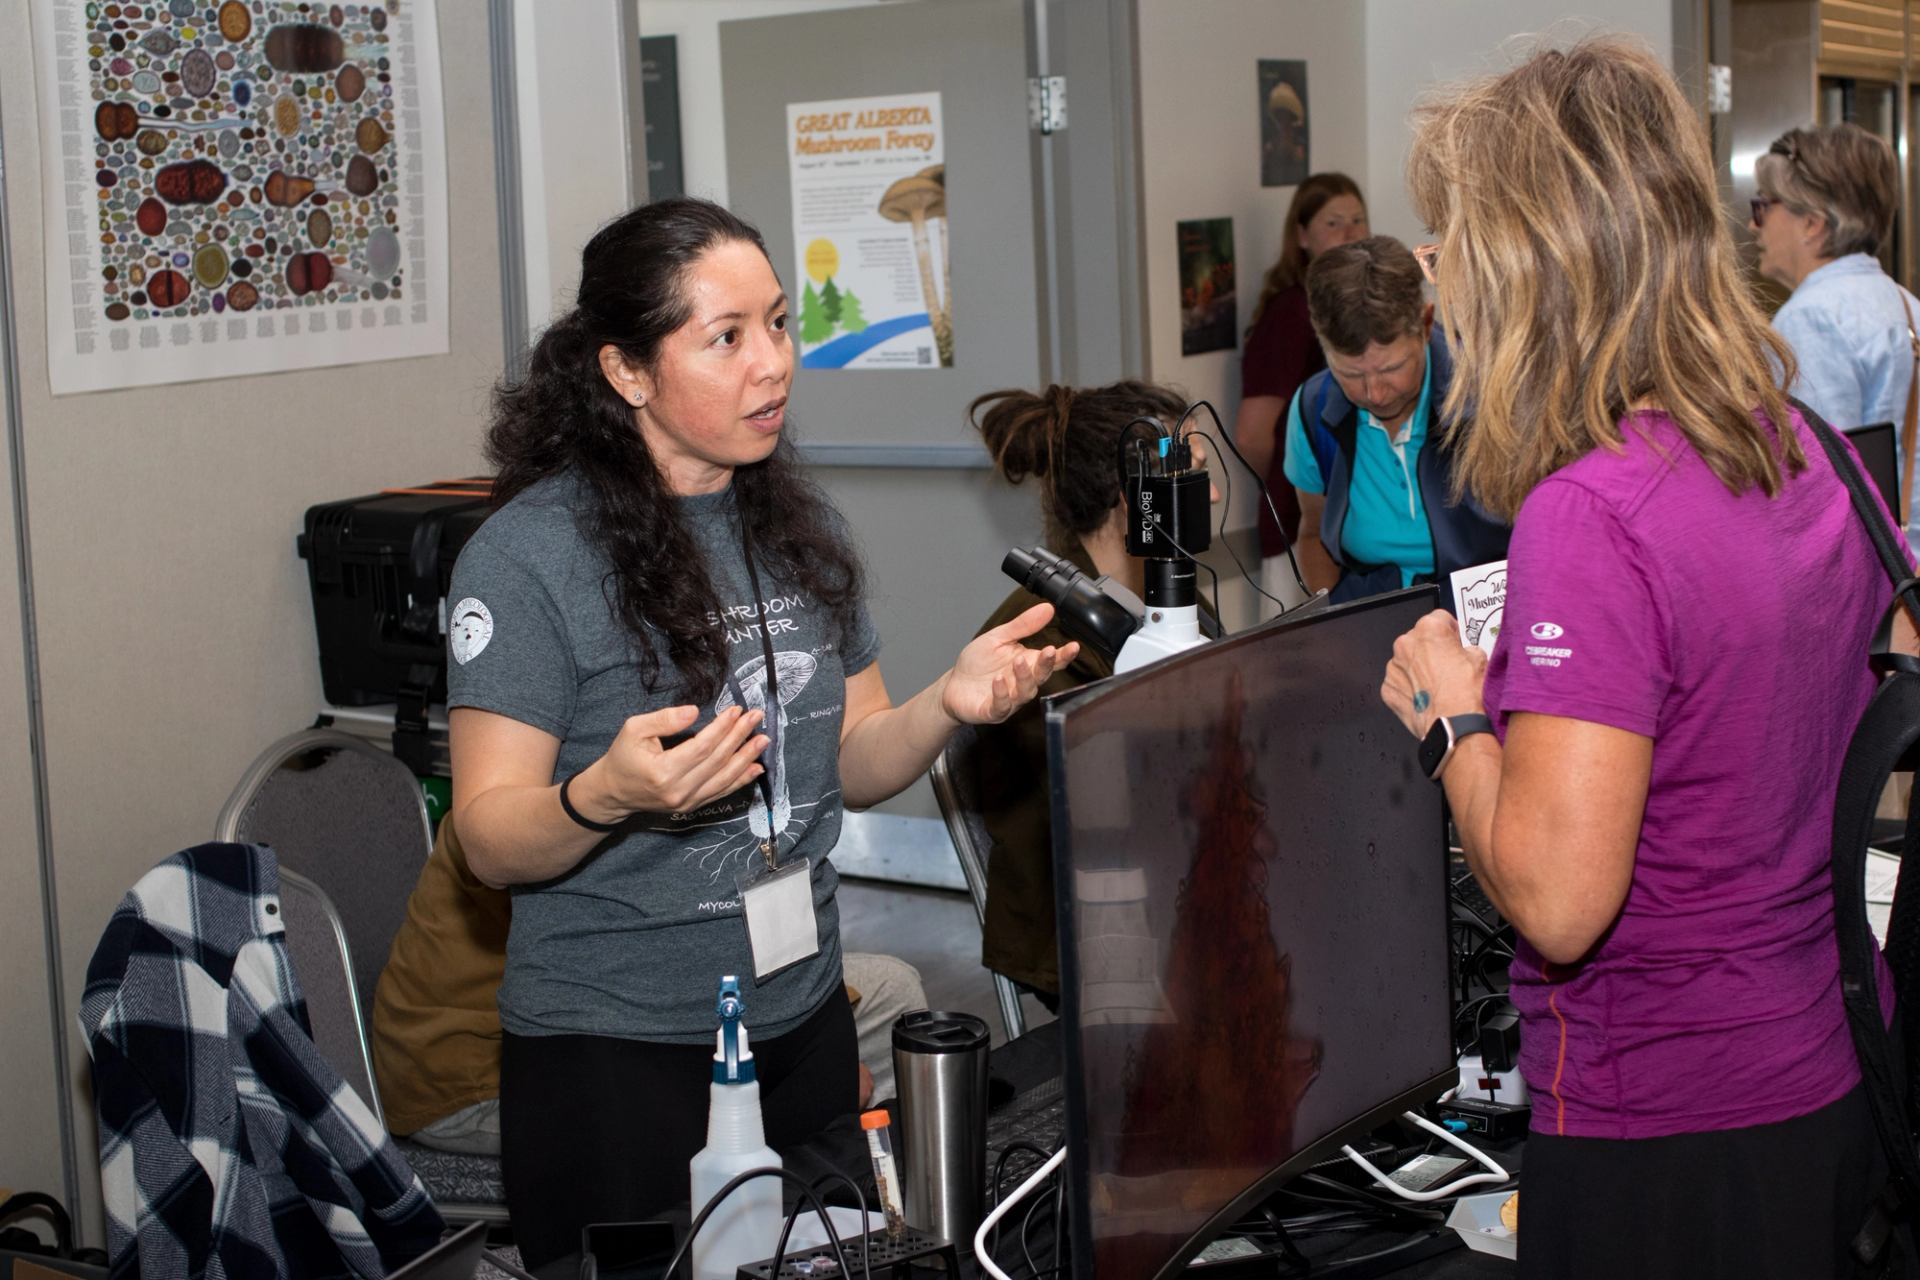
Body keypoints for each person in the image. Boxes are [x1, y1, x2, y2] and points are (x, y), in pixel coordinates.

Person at [446, 196, 1075, 1267]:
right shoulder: (528, 557)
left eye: (779, 324)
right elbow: (489, 837)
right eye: (726, 338)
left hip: (800, 1022)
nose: (773, 363)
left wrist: (945, 703)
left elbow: (853, 762)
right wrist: (605, 794)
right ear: (627, 372)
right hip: (616, 1054)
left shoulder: (797, 524)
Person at [1380, 38, 1902, 1278]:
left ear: (1531, 265)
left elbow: (1562, 901)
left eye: (1450, 239)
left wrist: (1457, 717)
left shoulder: (1591, 511)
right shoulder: (1805, 445)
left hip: (1666, 1117)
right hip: (1834, 1071)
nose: (1433, 273)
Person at [368, 815, 927, 1157]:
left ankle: (860, 1208)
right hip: (478, 1074)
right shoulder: (559, 787)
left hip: (647, 1009)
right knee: (802, 1090)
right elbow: (659, 976)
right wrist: (808, 1070)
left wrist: (818, 1034)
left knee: (892, 992)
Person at [967, 381, 1216, 1006]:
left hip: (1178, 881)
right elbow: (1107, 812)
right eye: (1190, 473)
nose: (1210, 494)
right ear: (1138, 500)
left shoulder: (1172, 598)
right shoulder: (1035, 640)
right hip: (1091, 924)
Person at [1281, 236, 1508, 605]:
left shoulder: (1491, 397)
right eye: (1350, 373)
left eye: (1392, 368)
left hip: (1488, 622)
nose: (1375, 393)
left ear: (1425, 322)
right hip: (1370, 625)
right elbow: (1312, 534)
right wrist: (1333, 617)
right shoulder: (1314, 408)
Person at [1752, 122, 1920, 553]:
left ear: (1812, 224)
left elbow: (1815, 488)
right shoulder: (1902, 302)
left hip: (1875, 578)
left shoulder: (1811, 319)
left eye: (1762, 206)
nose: (1755, 227)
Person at [1235, 174, 1369, 615]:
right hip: (1296, 527)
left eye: (1357, 220)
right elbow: (1253, 435)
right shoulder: (1292, 314)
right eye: (1334, 223)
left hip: (1348, 525)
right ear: (1302, 236)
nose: (1351, 233)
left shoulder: (1358, 311)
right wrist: (1295, 485)